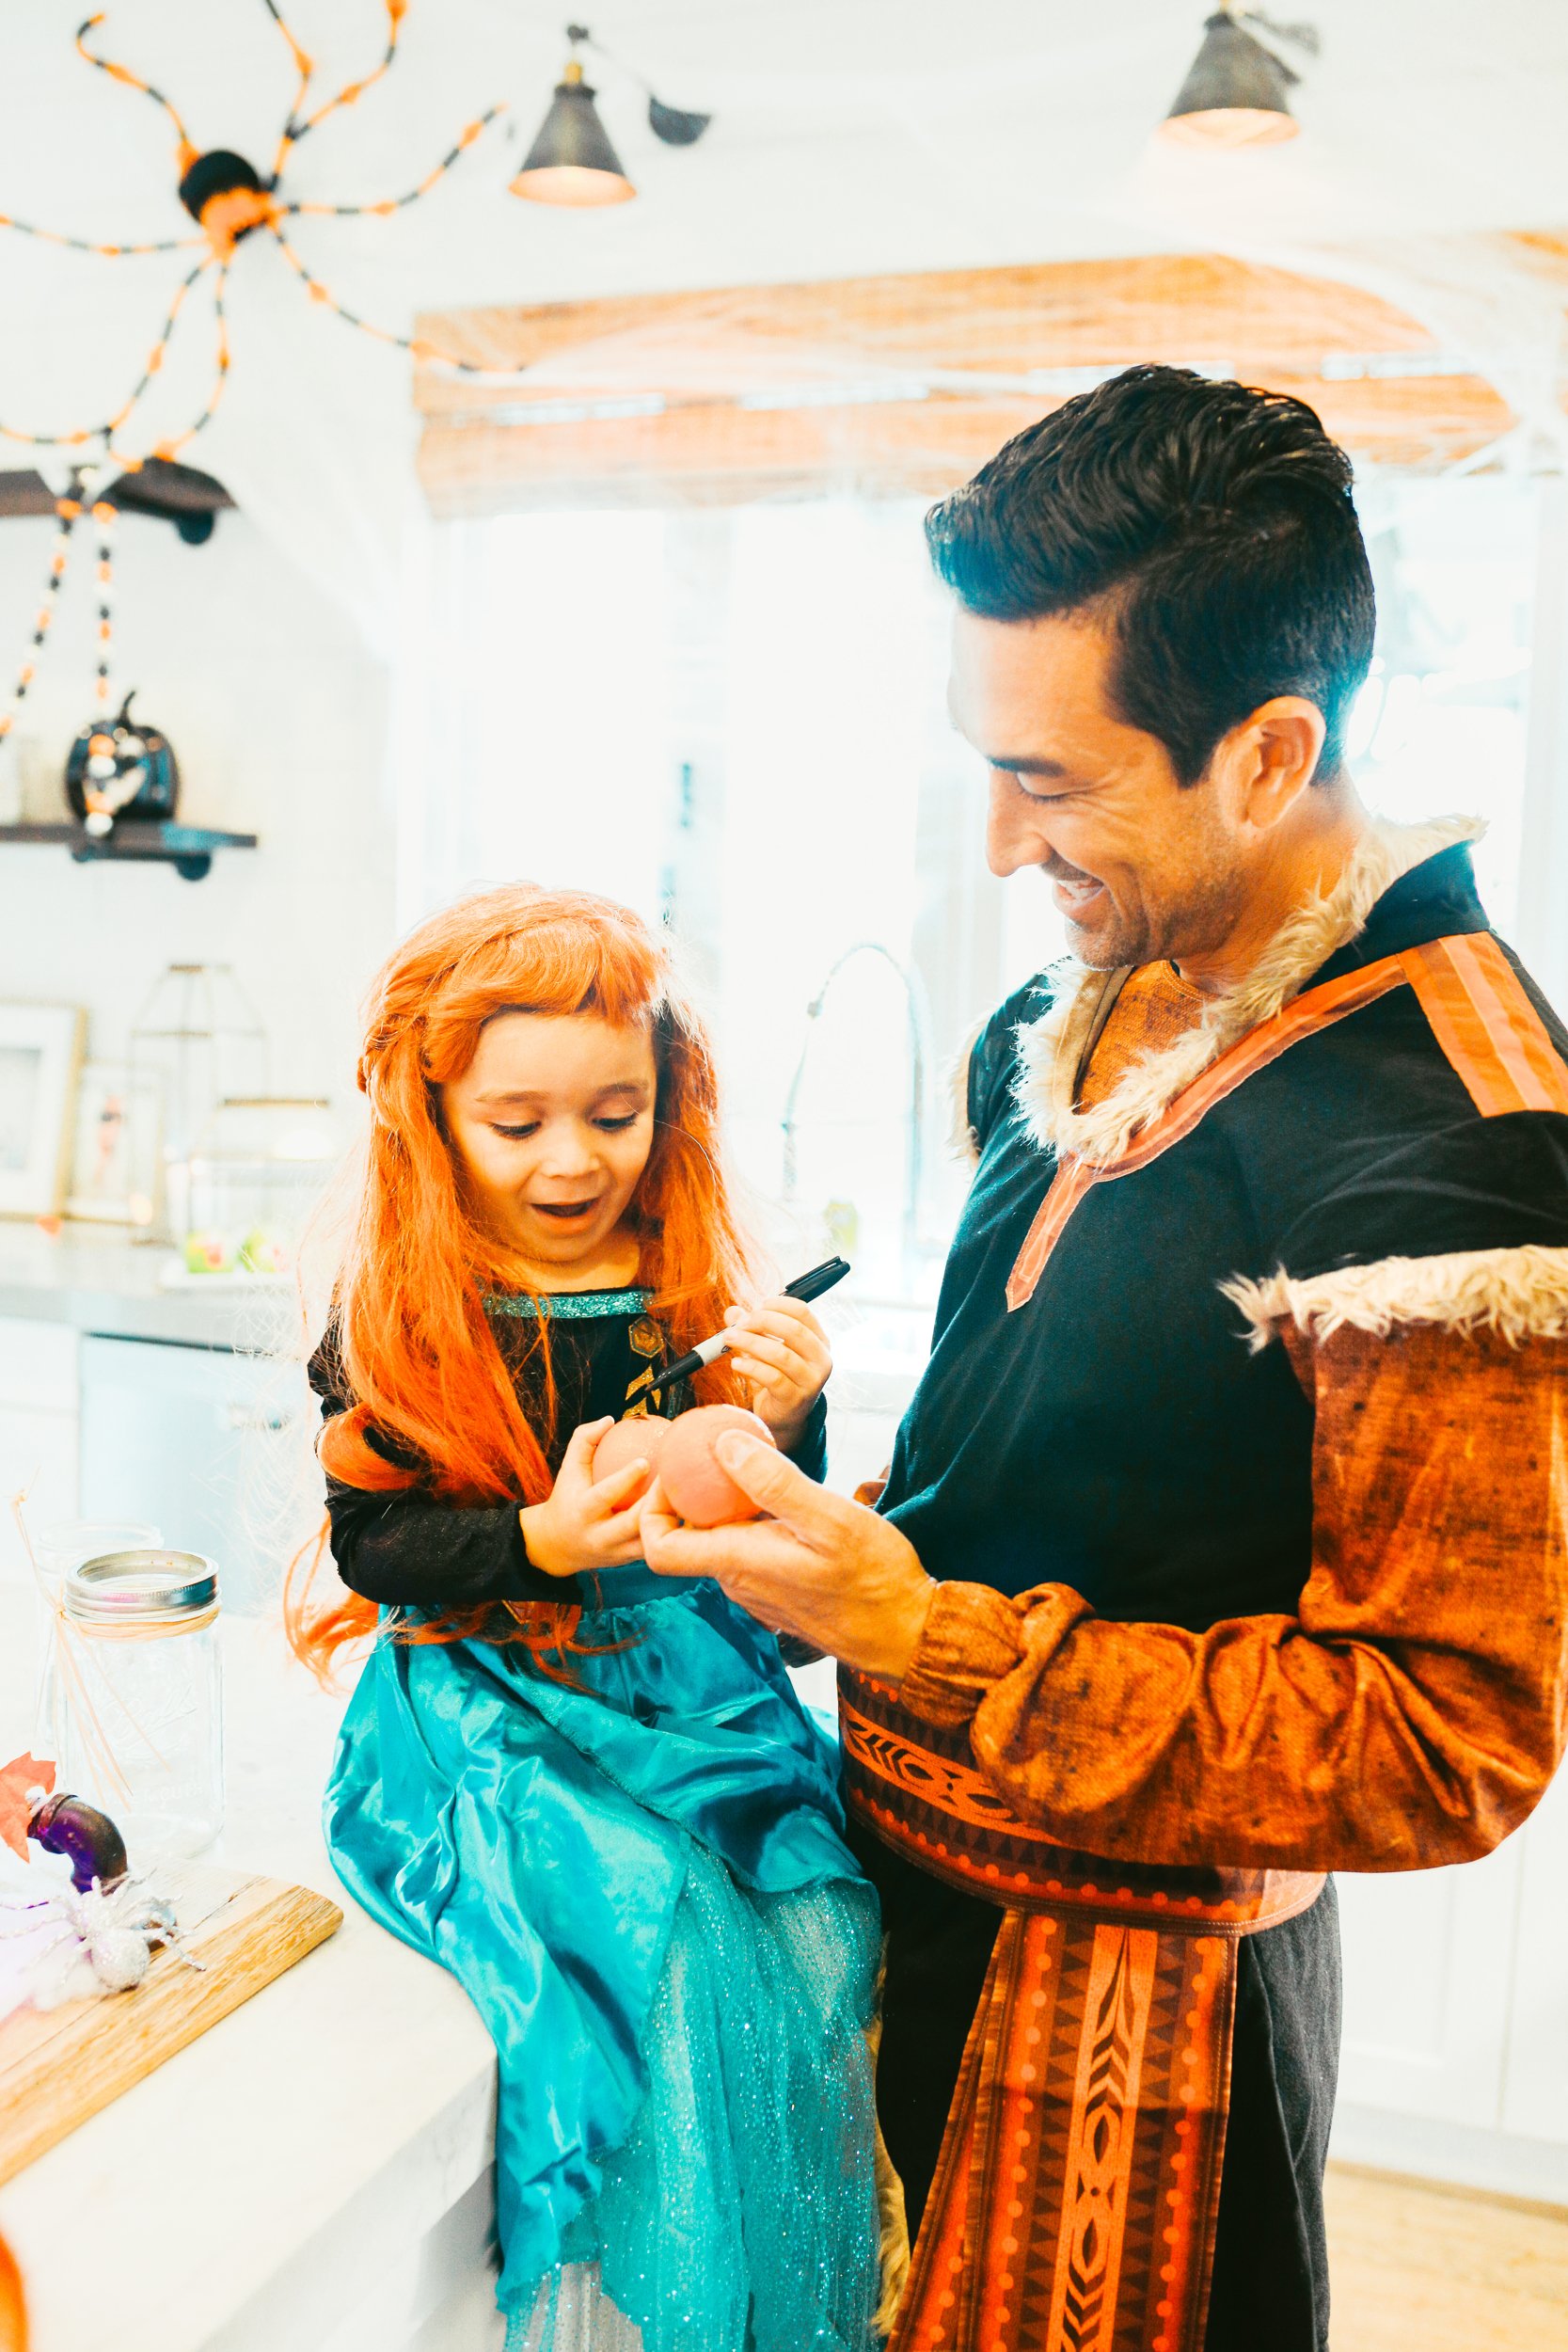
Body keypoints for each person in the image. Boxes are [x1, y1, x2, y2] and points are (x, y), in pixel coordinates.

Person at [641, 365, 1568, 2352]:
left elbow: (1443, 1740)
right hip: (893, 1904)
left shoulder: (1453, 1141)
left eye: (1051, 782)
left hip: (1135, 2030)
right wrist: (824, 1535)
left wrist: (927, 1626)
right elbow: (1059, 1473)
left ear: (1266, 753)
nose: (995, 845)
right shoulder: (1104, 995)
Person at [287, 884, 889, 2352]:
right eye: (521, 1124)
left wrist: (789, 1414)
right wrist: (537, 1541)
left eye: (615, 1114)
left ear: (668, 1102)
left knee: (819, 1930)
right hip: (492, 1697)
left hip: (689, 1680)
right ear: (430, 1118)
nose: (574, 1161)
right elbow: (372, 1545)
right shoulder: (398, 1315)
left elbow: (752, 1506)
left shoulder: (693, 1288)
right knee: (656, 1939)